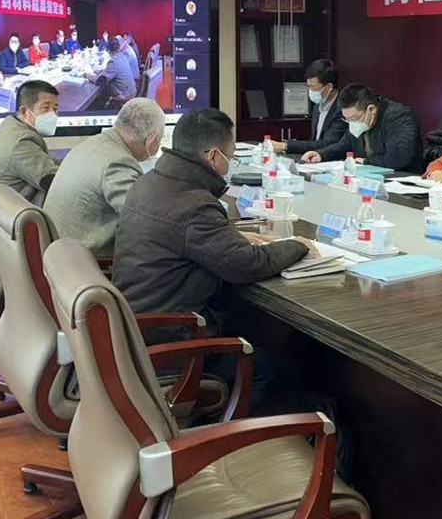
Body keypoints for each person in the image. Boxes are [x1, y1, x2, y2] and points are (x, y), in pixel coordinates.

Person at [112, 107, 314, 408]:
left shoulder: (151, 181)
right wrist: (298, 245)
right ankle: (235, 435)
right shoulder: (194, 204)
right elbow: (247, 264)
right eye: (231, 157)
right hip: (173, 341)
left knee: (256, 328)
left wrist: (230, 236)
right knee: (268, 368)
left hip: (139, 328)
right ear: (213, 156)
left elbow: (188, 237)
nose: (230, 164)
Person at [45, 98, 166, 256]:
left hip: (58, 250)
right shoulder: (118, 162)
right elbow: (144, 221)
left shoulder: (94, 143)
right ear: (152, 140)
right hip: (83, 262)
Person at [303, 84, 422, 172]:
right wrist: (321, 154)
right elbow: (344, 145)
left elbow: (399, 157)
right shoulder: (358, 120)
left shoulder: (399, 116)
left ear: (371, 109)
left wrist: (366, 161)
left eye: (353, 118)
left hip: (402, 181)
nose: (351, 123)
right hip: (370, 178)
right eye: (347, 119)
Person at [0, 79, 62, 205]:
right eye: (46, 108)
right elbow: (54, 182)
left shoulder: (10, 126)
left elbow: (47, 161)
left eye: (55, 109)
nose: (52, 115)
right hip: (13, 212)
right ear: (24, 111)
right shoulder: (22, 142)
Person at [273, 60, 344, 158]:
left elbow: (327, 143)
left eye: (313, 87)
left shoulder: (343, 109)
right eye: (308, 87)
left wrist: (286, 146)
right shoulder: (317, 106)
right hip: (316, 159)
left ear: (329, 87)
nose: (310, 91)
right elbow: (314, 141)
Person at [85, 37, 138, 107]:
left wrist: (86, 75)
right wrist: (98, 71)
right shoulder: (122, 56)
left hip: (124, 99)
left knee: (98, 100)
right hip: (131, 93)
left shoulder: (113, 62)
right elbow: (112, 71)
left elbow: (100, 81)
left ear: (108, 50)